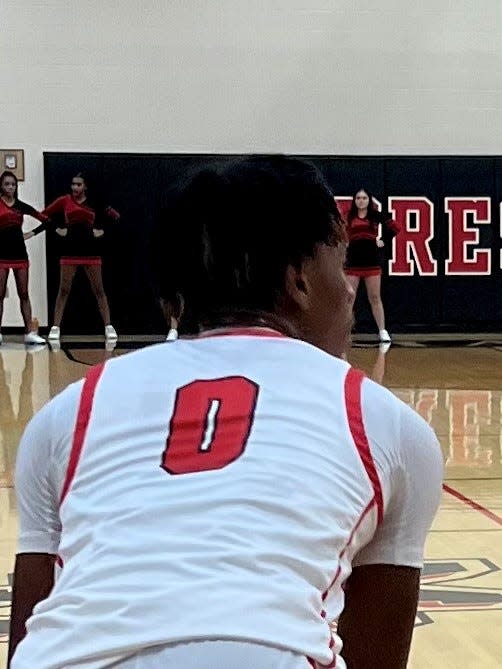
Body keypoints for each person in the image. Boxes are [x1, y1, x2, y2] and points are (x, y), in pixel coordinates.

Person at [9, 156, 443, 669]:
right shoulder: (389, 426)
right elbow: (376, 652)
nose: (349, 289)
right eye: (340, 261)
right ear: (298, 280)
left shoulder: (66, 415)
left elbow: (33, 626)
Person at [42, 173, 120, 342]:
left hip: (90, 250)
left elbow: (115, 217)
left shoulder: (95, 201)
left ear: (85, 187)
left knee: (99, 290)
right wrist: (57, 229)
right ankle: (55, 327)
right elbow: (44, 214)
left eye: (78, 184)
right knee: (63, 290)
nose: (75, 187)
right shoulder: (64, 200)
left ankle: (108, 326)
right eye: (73, 184)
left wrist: (103, 230)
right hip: (69, 250)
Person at [344, 188, 400, 343]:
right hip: (353, 262)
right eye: (358, 198)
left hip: (371, 262)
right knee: (349, 298)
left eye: (364, 198)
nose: (361, 200)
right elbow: (340, 232)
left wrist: (383, 240)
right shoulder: (349, 216)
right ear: (354, 200)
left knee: (375, 297)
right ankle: (344, 331)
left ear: (369, 200)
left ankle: (382, 330)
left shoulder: (375, 215)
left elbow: (395, 228)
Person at [0, 171, 47, 345]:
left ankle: (29, 332)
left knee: (24, 294)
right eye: (7, 184)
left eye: (13, 184)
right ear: (1, 186)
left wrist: (32, 233)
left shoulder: (21, 206)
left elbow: (46, 219)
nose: (10, 187)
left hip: (20, 254)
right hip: (1, 256)